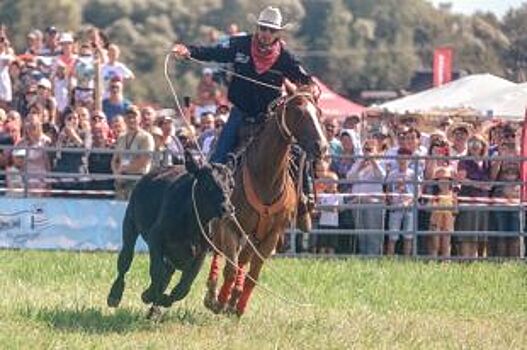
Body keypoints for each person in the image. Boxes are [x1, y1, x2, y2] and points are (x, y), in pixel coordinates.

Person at [172, 6, 315, 164]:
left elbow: (303, 78)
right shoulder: (240, 44)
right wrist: (189, 51)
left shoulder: (285, 57)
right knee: (218, 158)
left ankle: (306, 187)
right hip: (241, 113)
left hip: (271, 116)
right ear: (257, 28)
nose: (267, 33)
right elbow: (213, 52)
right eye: (263, 28)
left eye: (272, 30)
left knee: (299, 156)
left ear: (278, 33)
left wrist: (311, 85)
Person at [111, 106, 154, 200]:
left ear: (139, 118)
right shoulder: (122, 137)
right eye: (128, 117)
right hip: (121, 180)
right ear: (125, 119)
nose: (131, 120)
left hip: (138, 179)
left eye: (134, 117)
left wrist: (125, 169)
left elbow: (145, 160)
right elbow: (115, 159)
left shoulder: (146, 137)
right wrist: (117, 173)